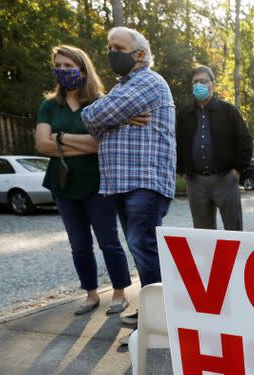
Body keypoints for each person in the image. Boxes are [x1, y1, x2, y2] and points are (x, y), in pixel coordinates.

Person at [81, 27, 176, 328]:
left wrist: (110, 117)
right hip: (124, 180)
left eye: (118, 47)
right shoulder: (123, 88)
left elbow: (95, 115)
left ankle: (161, 314)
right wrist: (115, 116)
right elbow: (92, 120)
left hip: (144, 180)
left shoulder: (148, 81)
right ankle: (154, 309)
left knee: (143, 244)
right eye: (109, 46)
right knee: (140, 245)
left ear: (139, 54)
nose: (111, 52)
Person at [35, 45, 131, 316]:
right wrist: (81, 144)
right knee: (78, 243)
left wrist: (61, 139)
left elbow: (100, 145)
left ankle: (119, 293)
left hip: (98, 183)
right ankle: (90, 294)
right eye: (59, 66)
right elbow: (42, 145)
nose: (63, 71)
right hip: (64, 184)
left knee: (108, 241)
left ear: (83, 68)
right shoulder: (49, 106)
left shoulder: (100, 102)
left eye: (69, 66)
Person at [176, 65, 252, 230]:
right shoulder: (184, 114)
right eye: (195, 82)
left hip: (225, 180)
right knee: (203, 233)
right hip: (196, 183)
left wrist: (236, 172)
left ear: (213, 84)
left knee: (234, 231)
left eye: (203, 81)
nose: (199, 85)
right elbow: (177, 143)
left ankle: (234, 257)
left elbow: (245, 142)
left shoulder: (229, 111)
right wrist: (183, 171)